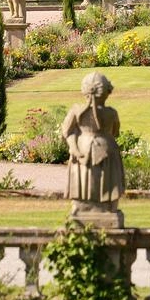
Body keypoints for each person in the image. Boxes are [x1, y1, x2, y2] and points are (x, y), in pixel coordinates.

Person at [61, 72, 125, 212]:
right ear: (106, 92)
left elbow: (67, 131)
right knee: (106, 179)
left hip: (82, 147)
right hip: (106, 148)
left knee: (83, 177)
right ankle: (107, 206)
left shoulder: (76, 110)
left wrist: (74, 148)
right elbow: (115, 132)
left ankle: (82, 204)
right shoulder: (111, 113)